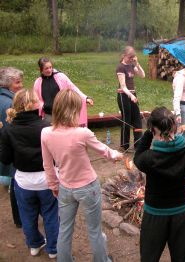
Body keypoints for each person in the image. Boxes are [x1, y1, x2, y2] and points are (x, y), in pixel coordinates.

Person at [41, 89, 123, 262]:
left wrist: (53, 185)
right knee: (94, 230)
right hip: (87, 188)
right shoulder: (82, 133)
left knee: (64, 229)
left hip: (65, 188)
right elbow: (105, 151)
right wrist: (117, 155)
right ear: (73, 110)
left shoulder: (46, 133)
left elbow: (48, 165)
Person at [0, 89, 59, 258]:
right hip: (47, 179)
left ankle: (34, 244)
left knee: (27, 214)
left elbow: (4, 159)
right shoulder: (47, 126)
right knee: (51, 214)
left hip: (24, 181)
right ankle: (53, 248)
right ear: (33, 104)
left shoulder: (8, 130)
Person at [133, 106, 185, 262]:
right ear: (174, 126)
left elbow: (137, 156)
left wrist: (148, 133)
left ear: (153, 129)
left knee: (149, 258)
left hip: (155, 214)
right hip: (182, 213)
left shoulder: (148, 158)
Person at [33, 57, 93, 125]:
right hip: (48, 116)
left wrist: (85, 98)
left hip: (64, 114)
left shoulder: (61, 77)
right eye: (46, 68)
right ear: (41, 70)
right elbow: (35, 99)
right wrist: (43, 106)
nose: (49, 70)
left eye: (50, 67)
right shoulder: (38, 82)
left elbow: (73, 88)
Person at [0, 67, 23, 228]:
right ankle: (20, 218)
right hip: (13, 149)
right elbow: (12, 130)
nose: (21, 85)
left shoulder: (4, 97)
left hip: (7, 147)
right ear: (8, 84)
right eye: (17, 82)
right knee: (17, 183)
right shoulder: (9, 103)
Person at [116, 46, 145, 151]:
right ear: (124, 56)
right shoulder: (121, 67)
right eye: (129, 57)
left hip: (133, 95)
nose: (130, 59)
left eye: (132, 58)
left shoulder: (132, 65)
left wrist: (137, 63)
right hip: (123, 95)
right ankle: (125, 145)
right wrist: (131, 96)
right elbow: (123, 87)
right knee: (126, 120)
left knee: (137, 119)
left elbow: (143, 75)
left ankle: (138, 144)